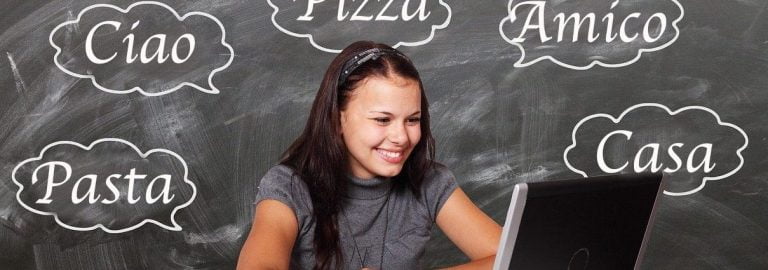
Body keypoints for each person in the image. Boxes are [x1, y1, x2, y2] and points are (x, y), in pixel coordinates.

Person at [237, 41, 501, 270]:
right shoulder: (289, 187)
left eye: (412, 119)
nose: (401, 137)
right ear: (337, 120)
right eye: (382, 120)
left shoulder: (431, 181)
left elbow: (514, 257)